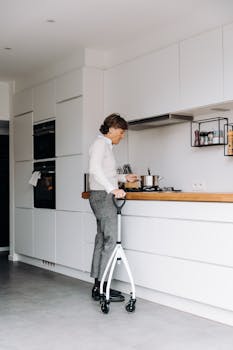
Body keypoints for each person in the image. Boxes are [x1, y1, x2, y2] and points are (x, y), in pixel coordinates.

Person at [89, 113, 138, 302]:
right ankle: (104, 289)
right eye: (121, 132)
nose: (122, 136)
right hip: (103, 196)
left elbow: (105, 172)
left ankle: (99, 287)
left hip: (101, 195)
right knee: (110, 241)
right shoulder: (101, 144)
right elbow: (94, 169)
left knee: (102, 240)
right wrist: (113, 189)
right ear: (111, 129)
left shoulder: (105, 145)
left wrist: (124, 178)